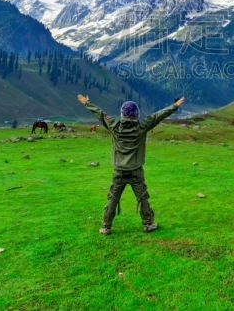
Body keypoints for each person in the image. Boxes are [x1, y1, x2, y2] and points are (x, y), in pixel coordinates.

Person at [78, 94, 185, 235]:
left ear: (122, 114)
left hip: (119, 171)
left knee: (113, 198)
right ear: (137, 114)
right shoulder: (142, 126)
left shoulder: (114, 126)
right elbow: (159, 115)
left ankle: (106, 226)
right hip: (136, 171)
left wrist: (87, 102)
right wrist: (175, 105)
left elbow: (100, 113)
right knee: (142, 198)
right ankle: (148, 224)